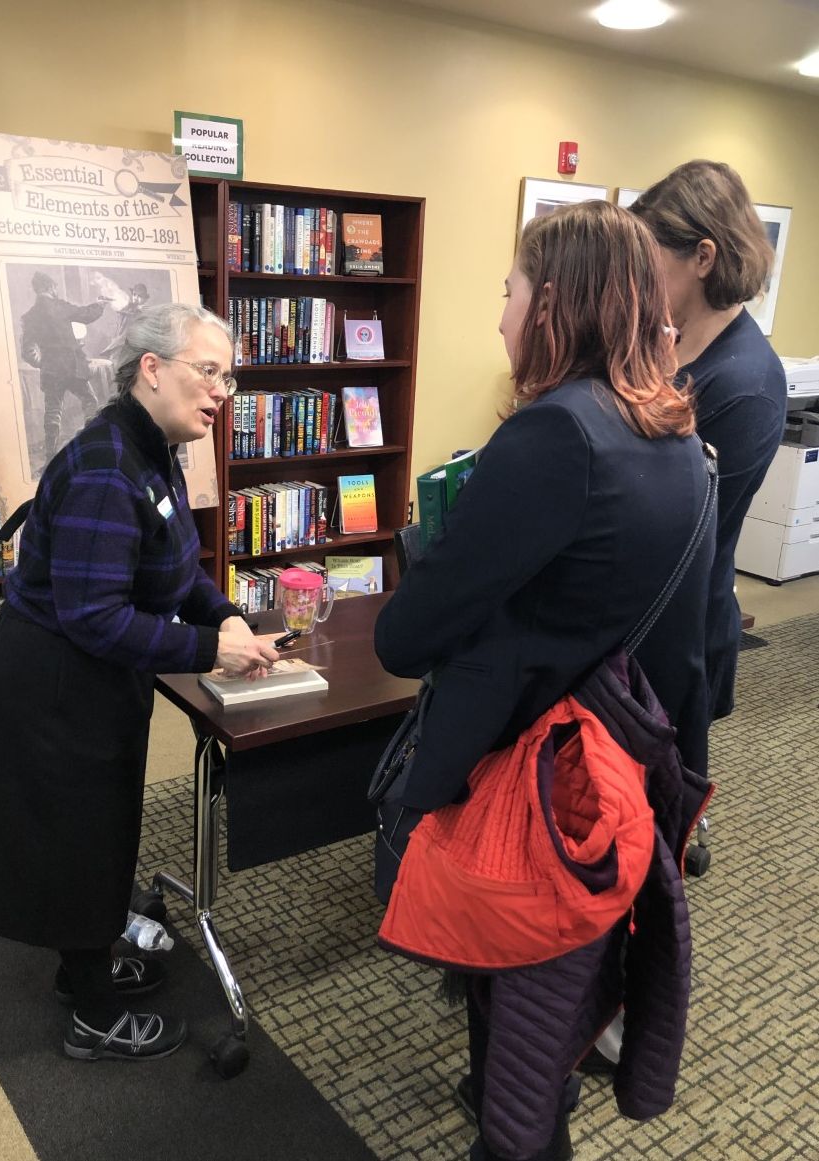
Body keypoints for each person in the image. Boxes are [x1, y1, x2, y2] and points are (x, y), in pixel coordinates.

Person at [374, 201, 715, 1160]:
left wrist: (440, 554)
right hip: (611, 776)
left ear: (552, 300)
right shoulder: (674, 433)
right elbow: (674, 638)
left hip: (523, 784)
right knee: (548, 1013)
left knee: (512, 1023)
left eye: (509, 291)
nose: (498, 317)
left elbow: (406, 637)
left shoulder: (553, 435)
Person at [0, 302, 282, 1062]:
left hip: (91, 677)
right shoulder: (110, 465)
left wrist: (227, 613)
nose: (220, 392)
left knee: (99, 833)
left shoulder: (152, 447)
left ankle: (88, 968)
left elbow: (174, 567)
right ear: (150, 369)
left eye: (226, 376)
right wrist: (210, 648)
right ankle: (93, 1015)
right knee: (76, 839)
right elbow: (96, 617)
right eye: (206, 371)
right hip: (54, 682)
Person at [630, 160, 787, 720]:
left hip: (676, 630)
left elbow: (684, 531)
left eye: (651, 266)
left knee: (653, 798)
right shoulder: (663, 341)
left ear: (703, 256)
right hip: (632, 613)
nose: (639, 285)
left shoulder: (746, 387)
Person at [20, 271, 107, 463]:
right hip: (73, 367)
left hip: (52, 371)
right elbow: (86, 314)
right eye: (55, 287)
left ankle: (50, 457)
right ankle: (91, 447)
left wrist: (44, 364)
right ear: (50, 287)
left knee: (52, 411)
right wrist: (100, 305)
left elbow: (27, 352)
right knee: (90, 402)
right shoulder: (60, 306)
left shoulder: (30, 317)